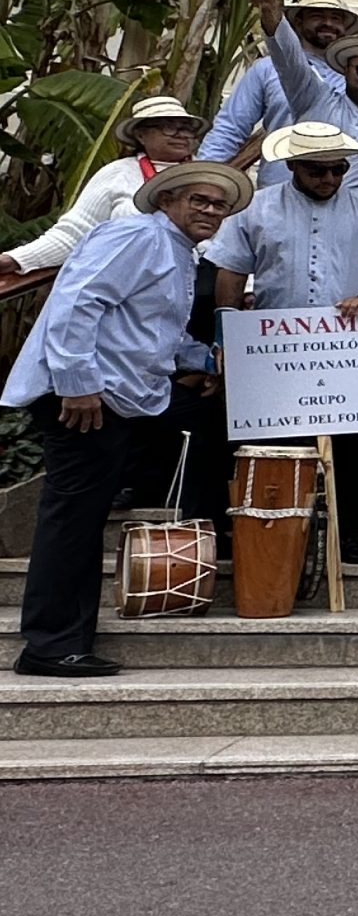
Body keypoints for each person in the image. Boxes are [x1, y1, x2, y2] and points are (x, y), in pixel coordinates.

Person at [5, 163, 249, 677]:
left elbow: (153, 334)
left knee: (85, 513)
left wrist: (208, 359)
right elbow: (77, 301)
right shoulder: (137, 235)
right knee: (73, 518)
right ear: (166, 200)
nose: (210, 211)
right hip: (86, 396)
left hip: (121, 395)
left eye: (219, 205)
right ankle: (51, 644)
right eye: (199, 200)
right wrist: (77, 382)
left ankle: (62, 638)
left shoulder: (176, 251)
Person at [204, 124, 358, 564]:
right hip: (274, 349)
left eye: (338, 170)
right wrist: (226, 335)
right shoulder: (256, 208)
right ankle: (261, 534)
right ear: (293, 166)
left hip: (343, 349)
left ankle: (347, 535)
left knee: (347, 447)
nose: (329, 179)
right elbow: (231, 271)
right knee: (269, 444)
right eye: (318, 171)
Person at [0, 93, 207, 286]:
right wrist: (15, 259)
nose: (181, 135)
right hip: (126, 286)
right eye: (169, 127)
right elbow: (74, 233)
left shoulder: (210, 176)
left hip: (193, 283)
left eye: (186, 128)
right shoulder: (118, 173)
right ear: (141, 134)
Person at [198, 0, 357, 165]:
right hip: (279, 177)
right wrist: (205, 172)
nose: (328, 23)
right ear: (298, 21)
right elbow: (230, 127)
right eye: (317, 16)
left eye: (336, 18)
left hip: (343, 177)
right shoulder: (266, 69)